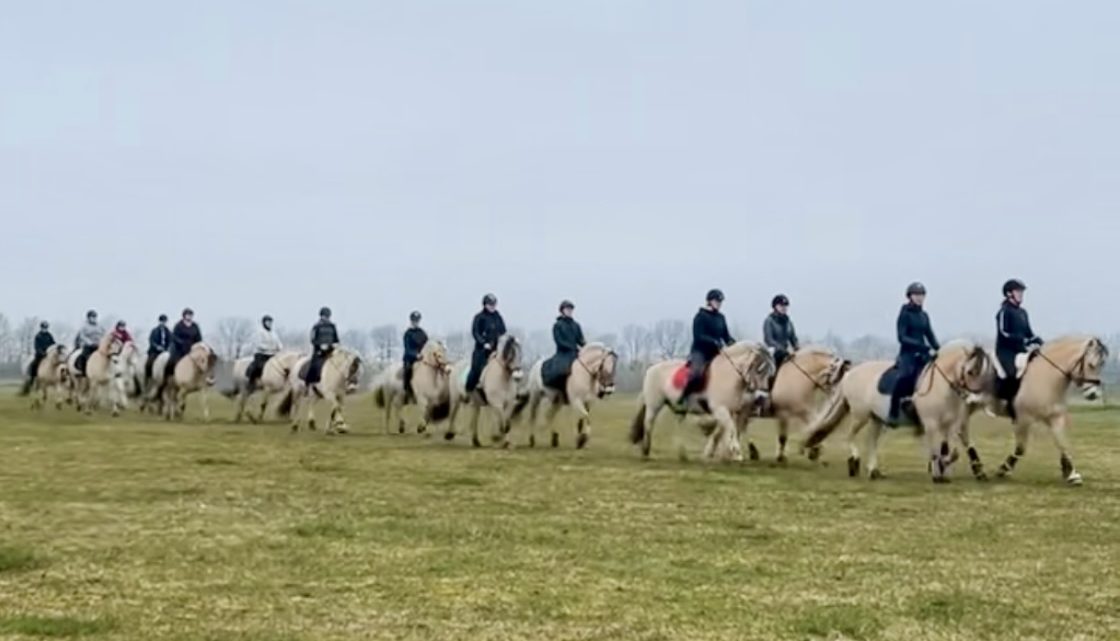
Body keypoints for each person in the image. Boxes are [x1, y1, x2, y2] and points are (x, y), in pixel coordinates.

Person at [887, 282, 941, 426]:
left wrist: (939, 349)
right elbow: (902, 337)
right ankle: (893, 413)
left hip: (923, 353)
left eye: (922, 295)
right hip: (908, 354)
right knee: (905, 376)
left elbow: (930, 334)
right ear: (910, 296)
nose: (919, 298)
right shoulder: (905, 313)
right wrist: (922, 346)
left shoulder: (924, 315)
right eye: (916, 295)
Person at [995, 279, 1043, 420]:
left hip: (1021, 351)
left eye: (1022, 292)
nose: (1021, 294)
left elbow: (1028, 332)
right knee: (1012, 374)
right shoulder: (1004, 312)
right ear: (1009, 294)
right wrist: (1022, 340)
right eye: (1018, 291)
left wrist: (1036, 339)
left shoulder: (1023, 313)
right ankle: (1010, 405)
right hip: (1006, 352)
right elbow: (1004, 333)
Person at [680, 289, 735, 406]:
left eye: (720, 302)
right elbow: (698, 336)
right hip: (700, 352)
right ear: (709, 301)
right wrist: (714, 341)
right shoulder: (700, 316)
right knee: (696, 374)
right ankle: (684, 397)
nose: (719, 304)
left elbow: (726, 336)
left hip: (716, 352)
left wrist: (734, 343)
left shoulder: (721, 318)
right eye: (717, 301)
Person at [156, 308, 202, 398]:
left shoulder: (195, 326)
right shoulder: (179, 325)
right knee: (171, 362)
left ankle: (200, 381)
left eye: (191, 315)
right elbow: (174, 337)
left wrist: (196, 345)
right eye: (188, 315)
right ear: (184, 316)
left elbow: (199, 338)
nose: (189, 317)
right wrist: (181, 343)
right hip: (180, 350)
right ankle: (165, 378)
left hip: (191, 351)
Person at [465, 294, 506, 394]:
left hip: (496, 349)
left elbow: (503, 330)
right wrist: (483, 343)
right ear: (485, 305)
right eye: (490, 304)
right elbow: (475, 332)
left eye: (494, 304)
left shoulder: (498, 317)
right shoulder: (479, 317)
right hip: (482, 350)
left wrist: (501, 339)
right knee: (477, 368)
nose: (492, 306)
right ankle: (469, 388)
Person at [542, 300, 586, 390]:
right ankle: (560, 388)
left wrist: (586, 347)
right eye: (567, 309)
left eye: (570, 309)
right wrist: (571, 347)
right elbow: (559, 341)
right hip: (563, 354)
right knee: (562, 371)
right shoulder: (558, 325)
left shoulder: (576, 325)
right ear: (562, 311)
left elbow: (580, 340)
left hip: (575, 353)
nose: (569, 311)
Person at [246, 315, 283, 392]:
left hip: (272, 354)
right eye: (268, 322)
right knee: (258, 366)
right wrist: (270, 348)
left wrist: (280, 347)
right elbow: (258, 344)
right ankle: (251, 381)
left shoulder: (273, 333)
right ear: (264, 323)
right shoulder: (259, 332)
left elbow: (278, 343)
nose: (269, 324)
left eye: (270, 322)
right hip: (261, 354)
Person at [763, 294, 800, 370]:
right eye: (781, 305)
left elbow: (793, 338)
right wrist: (780, 348)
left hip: (786, 352)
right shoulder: (769, 321)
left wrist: (797, 348)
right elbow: (768, 339)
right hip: (773, 353)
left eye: (785, 306)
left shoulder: (789, 322)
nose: (784, 308)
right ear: (775, 307)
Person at [20, 321, 56, 396]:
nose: (45, 329)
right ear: (41, 328)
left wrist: (52, 350)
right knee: (34, 364)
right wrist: (42, 352)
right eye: (43, 327)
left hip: (49, 354)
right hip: (40, 354)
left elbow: (53, 344)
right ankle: (32, 377)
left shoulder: (49, 335)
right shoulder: (38, 336)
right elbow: (36, 346)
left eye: (46, 327)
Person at [306, 307, 339, 385]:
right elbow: (312, 339)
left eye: (326, 316)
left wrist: (332, 345)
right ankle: (312, 381)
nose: (325, 318)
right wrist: (319, 346)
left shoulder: (332, 326)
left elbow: (336, 339)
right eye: (324, 316)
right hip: (319, 350)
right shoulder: (316, 326)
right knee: (314, 364)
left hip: (331, 349)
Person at [402, 311, 428, 402]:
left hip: (422, 357)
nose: (416, 322)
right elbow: (407, 348)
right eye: (414, 320)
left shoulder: (422, 333)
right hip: (410, 358)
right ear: (411, 321)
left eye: (417, 320)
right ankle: (407, 391)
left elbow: (426, 344)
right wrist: (416, 355)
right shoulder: (408, 334)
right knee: (408, 370)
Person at [74, 310, 104, 376]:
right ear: (88, 318)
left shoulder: (100, 327)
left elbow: (103, 335)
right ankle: (83, 371)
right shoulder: (84, 327)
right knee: (84, 356)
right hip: (89, 346)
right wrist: (90, 343)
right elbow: (82, 336)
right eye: (92, 317)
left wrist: (101, 342)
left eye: (95, 317)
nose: (94, 319)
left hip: (99, 345)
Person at [146, 314, 172, 381]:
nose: (163, 323)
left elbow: (171, 341)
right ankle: (148, 375)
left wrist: (168, 348)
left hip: (165, 351)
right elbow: (151, 340)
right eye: (162, 321)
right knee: (149, 362)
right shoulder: (154, 331)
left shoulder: (168, 332)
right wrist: (157, 347)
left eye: (164, 321)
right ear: (159, 322)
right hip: (155, 351)